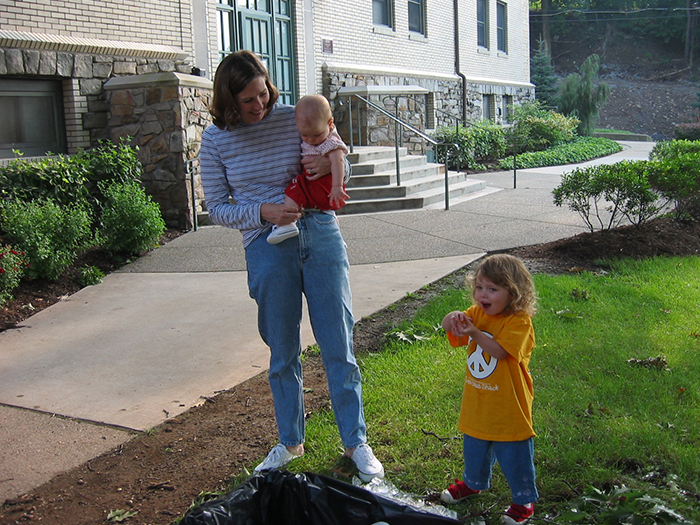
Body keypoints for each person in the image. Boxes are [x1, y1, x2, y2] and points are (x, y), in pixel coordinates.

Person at [199, 49, 384, 482]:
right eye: (247, 100)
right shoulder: (216, 139)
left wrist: (331, 165)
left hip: (319, 232)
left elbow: (337, 156)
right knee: (283, 352)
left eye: (263, 93)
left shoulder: (293, 115)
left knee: (339, 344)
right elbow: (217, 208)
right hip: (266, 246)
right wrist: (264, 212)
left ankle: (356, 443)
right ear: (228, 100)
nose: (259, 105)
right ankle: (290, 442)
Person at [440, 254, 538, 524]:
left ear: (514, 293)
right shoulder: (476, 315)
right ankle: (474, 483)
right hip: (478, 404)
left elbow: (499, 351)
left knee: (514, 456)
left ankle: (523, 499)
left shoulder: (519, 322)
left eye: (493, 289)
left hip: (509, 407)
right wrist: (453, 318)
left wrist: (474, 333)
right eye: (480, 287)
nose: (483, 294)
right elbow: (449, 327)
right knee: (475, 449)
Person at [267, 94, 350, 244]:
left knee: (295, 187)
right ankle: (336, 236)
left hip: (324, 184)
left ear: (330, 124)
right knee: (326, 211)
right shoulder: (317, 134)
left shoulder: (331, 142)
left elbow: (338, 162)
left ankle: (287, 223)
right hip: (319, 185)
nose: (311, 140)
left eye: (316, 135)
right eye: (304, 135)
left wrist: (337, 186)